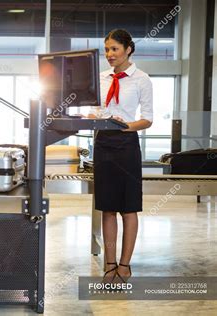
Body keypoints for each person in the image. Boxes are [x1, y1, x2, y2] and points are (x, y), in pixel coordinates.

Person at [88, 29, 153, 283]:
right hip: (103, 142)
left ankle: (125, 266)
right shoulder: (101, 78)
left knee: (128, 208)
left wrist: (124, 125)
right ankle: (109, 263)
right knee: (107, 208)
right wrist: (99, 117)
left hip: (127, 143)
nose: (109, 54)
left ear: (128, 49)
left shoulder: (141, 79)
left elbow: (147, 119)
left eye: (114, 49)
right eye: (106, 49)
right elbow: (94, 110)